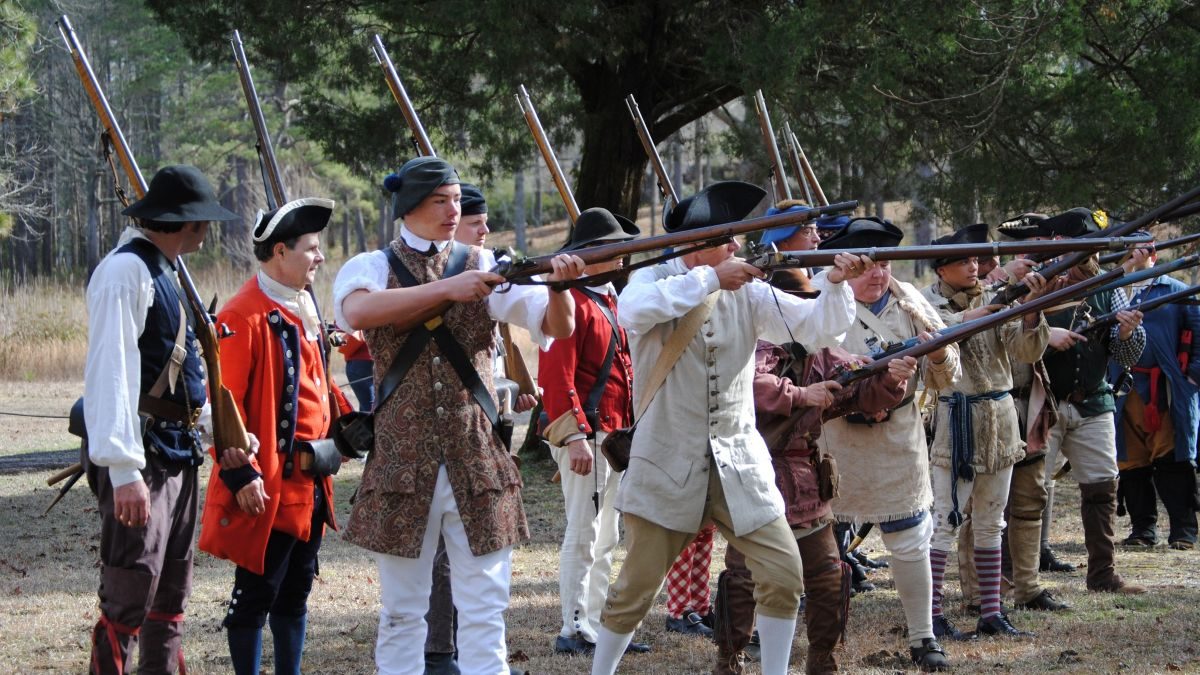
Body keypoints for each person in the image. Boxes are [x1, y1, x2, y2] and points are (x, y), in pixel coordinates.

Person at [590, 181, 872, 675]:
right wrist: (710, 280)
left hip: (739, 460)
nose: (738, 248)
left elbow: (815, 328)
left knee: (784, 576)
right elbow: (633, 311)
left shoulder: (750, 291)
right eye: (728, 239)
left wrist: (835, 282)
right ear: (698, 244)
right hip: (667, 460)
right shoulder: (656, 279)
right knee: (634, 589)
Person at [333, 156, 584, 675]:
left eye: (455, 199)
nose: (454, 209)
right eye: (440, 201)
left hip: (477, 460)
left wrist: (561, 287)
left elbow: (554, 326)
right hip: (403, 464)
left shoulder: (487, 262)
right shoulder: (371, 266)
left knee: (485, 614)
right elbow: (358, 313)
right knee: (402, 613)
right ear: (410, 207)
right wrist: (447, 289)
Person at [712, 267, 919, 675]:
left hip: (805, 477)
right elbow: (747, 387)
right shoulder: (751, 348)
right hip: (754, 472)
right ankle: (728, 659)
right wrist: (801, 394)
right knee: (743, 577)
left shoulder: (820, 352)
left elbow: (858, 390)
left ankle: (823, 660)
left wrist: (892, 379)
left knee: (827, 576)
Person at [82, 165, 243, 674]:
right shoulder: (125, 272)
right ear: (188, 224)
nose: (206, 231)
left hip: (175, 453)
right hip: (144, 459)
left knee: (169, 597)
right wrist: (124, 470)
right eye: (203, 222)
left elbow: (179, 377)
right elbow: (113, 373)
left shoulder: (163, 269)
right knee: (130, 594)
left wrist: (219, 431)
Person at [197, 197, 353, 674]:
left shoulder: (300, 304)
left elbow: (312, 383)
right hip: (269, 484)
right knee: (255, 596)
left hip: (311, 479)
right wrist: (240, 472)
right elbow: (222, 406)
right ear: (281, 252)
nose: (320, 257)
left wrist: (344, 419)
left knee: (296, 591)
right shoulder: (243, 315)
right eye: (311, 248)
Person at [816, 217, 961, 672]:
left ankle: (923, 636)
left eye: (883, 263)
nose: (878, 273)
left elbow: (948, 374)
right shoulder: (819, 302)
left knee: (911, 542)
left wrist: (935, 352)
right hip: (834, 437)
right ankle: (819, 639)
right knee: (820, 548)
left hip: (898, 437)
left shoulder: (911, 302)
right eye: (866, 264)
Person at [920, 223, 1052, 641]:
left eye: (976, 259)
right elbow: (930, 336)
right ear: (942, 269)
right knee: (946, 520)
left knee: (992, 522)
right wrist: (970, 317)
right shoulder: (924, 302)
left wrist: (1031, 308)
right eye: (964, 260)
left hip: (998, 417)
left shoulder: (998, 300)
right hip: (956, 420)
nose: (974, 266)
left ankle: (991, 612)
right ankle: (932, 613)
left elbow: (1025, 351)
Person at [538, 207, 653, 655]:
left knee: (606, 535)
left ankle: (596, 621)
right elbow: (556, 378)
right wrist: (574, 436)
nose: (624, 257)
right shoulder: (570, 303)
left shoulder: (608, 299)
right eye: (615, 248)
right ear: (591, 254)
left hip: (612, 436)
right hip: (588, 435)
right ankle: (573, 627)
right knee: (584, 533)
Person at [1037, 207, 1147, 594]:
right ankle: (1020, 578)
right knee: (1029, 492)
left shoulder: (1109, 284)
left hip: (1094, 400)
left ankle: (1102, 574)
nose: (1092, 255)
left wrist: (1130, 331)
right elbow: (1014, 337)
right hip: (1044, 400)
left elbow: (1126, 354)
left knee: (1102, 488)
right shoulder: (1043, 283)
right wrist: (1047, 334)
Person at [1111, 242, 1200, 549]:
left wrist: (1193, 375)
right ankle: (1142, 530)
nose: (1138, 255)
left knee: (1173, 457)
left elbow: (1198, 330)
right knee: (1132, 462)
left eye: (1144, 249)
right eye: (1131, 249)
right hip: (1125, 387)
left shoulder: (1175, 288)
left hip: (1167, 388)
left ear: (1155, 255)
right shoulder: (1113, 290)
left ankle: (1183, 531)